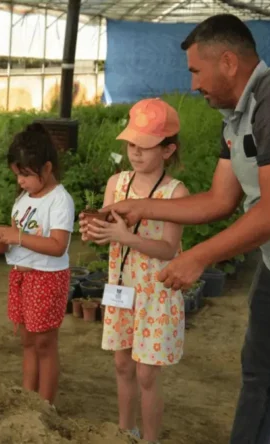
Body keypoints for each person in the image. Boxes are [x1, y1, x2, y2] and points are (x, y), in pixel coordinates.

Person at [81, 14, 270, 444]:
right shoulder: (235, 117)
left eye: (195, 71)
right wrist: (137, 205)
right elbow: (219, 201)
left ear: (227, 62)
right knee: (259, 376)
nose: (192, 85)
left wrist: (198, 256)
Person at [84, 98, 188, 442]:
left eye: (145, 146)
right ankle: (124, 430)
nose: (135, 152)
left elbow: (169, 249)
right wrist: (96, 231)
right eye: (131, 144)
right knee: (122, 364)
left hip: (156, 292)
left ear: (168, 149)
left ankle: (150, 438)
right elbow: (107, 231)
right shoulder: (118, 183)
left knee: (146, 373)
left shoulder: (176, 193)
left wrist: (125, 236)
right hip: (122, 287)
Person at [0, 123, 74, 405]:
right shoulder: (23, 199)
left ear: (47, 169)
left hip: (47, 278)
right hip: (21, 277)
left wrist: (18, 236)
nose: (20, 182)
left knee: (44, 344)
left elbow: (58, 246)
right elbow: (16, 241)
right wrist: (1, 244)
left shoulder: (60, 201)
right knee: (27, 341)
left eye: (25, 174)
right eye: (17, 175)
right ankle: (28, 400)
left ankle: (45, 405)